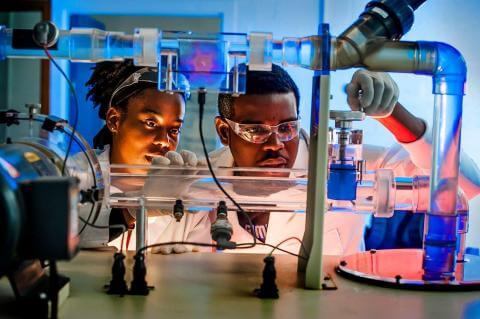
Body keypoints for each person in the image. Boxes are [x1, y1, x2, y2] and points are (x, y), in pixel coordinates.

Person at [209, 64, 480, 255]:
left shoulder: (342, 162)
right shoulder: (199, 177)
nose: (276, 144)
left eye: (286, 127)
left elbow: (466, 186)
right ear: (224, 131)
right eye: (255, 131)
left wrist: (391, 113)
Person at [78, 60, 210, 253]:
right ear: (114, 120)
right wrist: (134, 209)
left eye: (174, 129)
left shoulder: (188, 195)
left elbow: (205, 270)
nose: (164, 141)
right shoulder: (76, 176)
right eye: (150, 123)